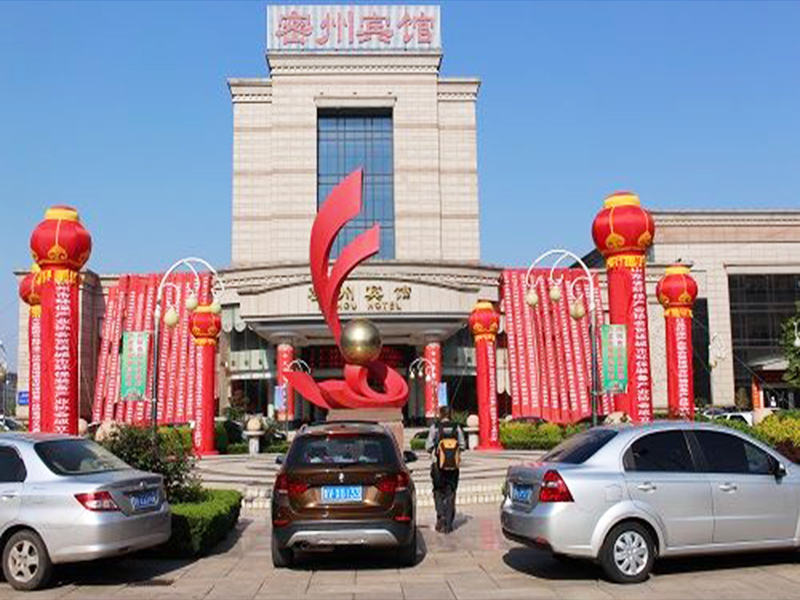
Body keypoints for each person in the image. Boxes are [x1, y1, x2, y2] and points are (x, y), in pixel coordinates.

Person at [425, 406, 466, 533]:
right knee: (451, 492)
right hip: (453, 467)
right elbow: (463, 446)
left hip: (437, 466)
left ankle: (441, 516)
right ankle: (449, 523)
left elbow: (428, 446)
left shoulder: (435, 427)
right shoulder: (456, 427)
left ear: (440, 414)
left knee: (438, 491)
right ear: (450, 414)